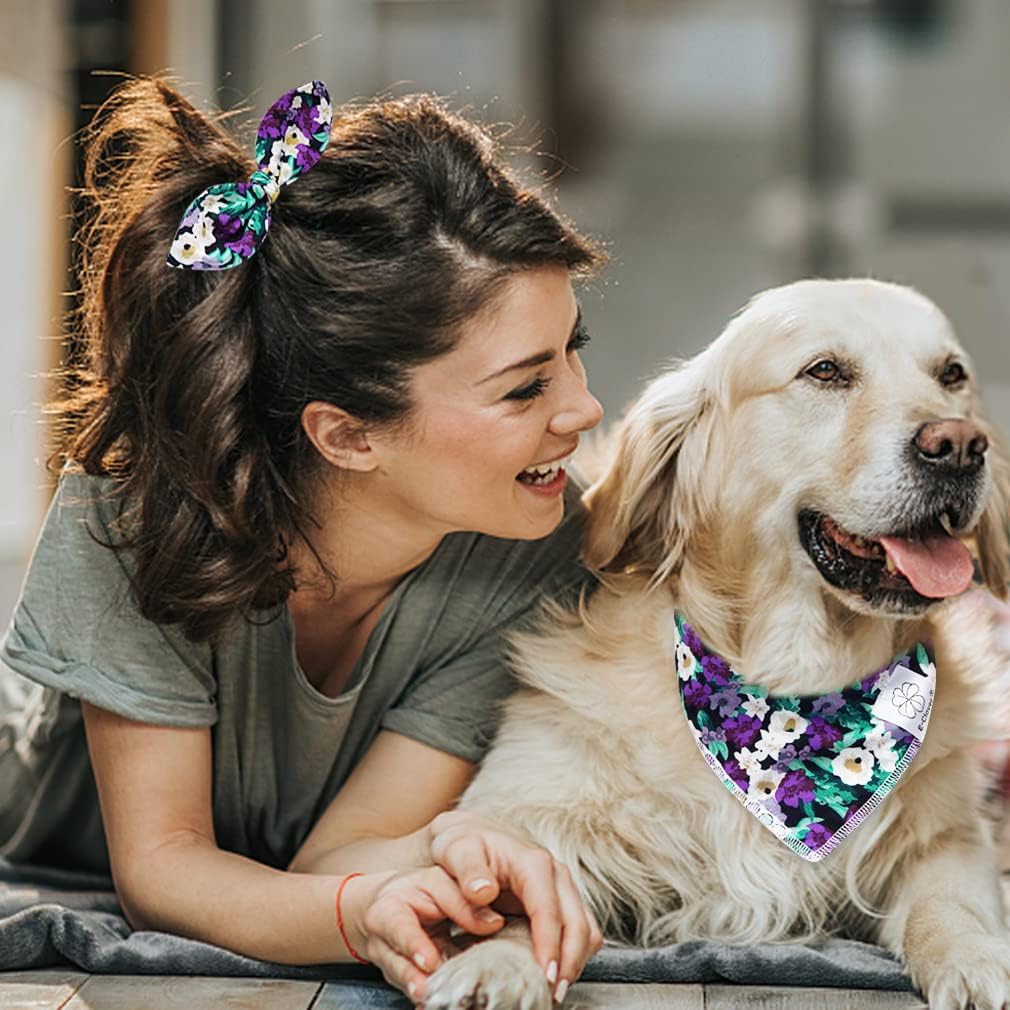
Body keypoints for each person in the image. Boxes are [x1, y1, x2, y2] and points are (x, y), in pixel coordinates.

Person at [0, 77, 605, 1001]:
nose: (585, 407)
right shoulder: (130, 520)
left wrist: (453, 853)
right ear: (348, 435)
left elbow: (337, 855)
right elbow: (162, 870)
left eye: (574, 347)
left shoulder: (540, 548)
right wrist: (360, 909)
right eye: (525, 387)